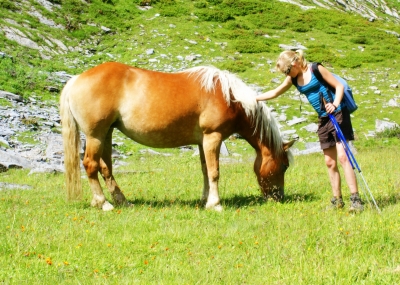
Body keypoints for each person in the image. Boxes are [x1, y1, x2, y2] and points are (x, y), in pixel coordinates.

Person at [256, 49, 364, 212]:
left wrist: (334, 104)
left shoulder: (316, 69)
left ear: (295, 63)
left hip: (338, 113)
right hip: (324, 119)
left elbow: (339, 86)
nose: (287, 74)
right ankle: (337, 200)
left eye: (287, 70)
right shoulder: (292, 78)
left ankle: (356, 200)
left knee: (343, 157)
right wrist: (253, 98)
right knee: (329, 162)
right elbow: (275, 92)